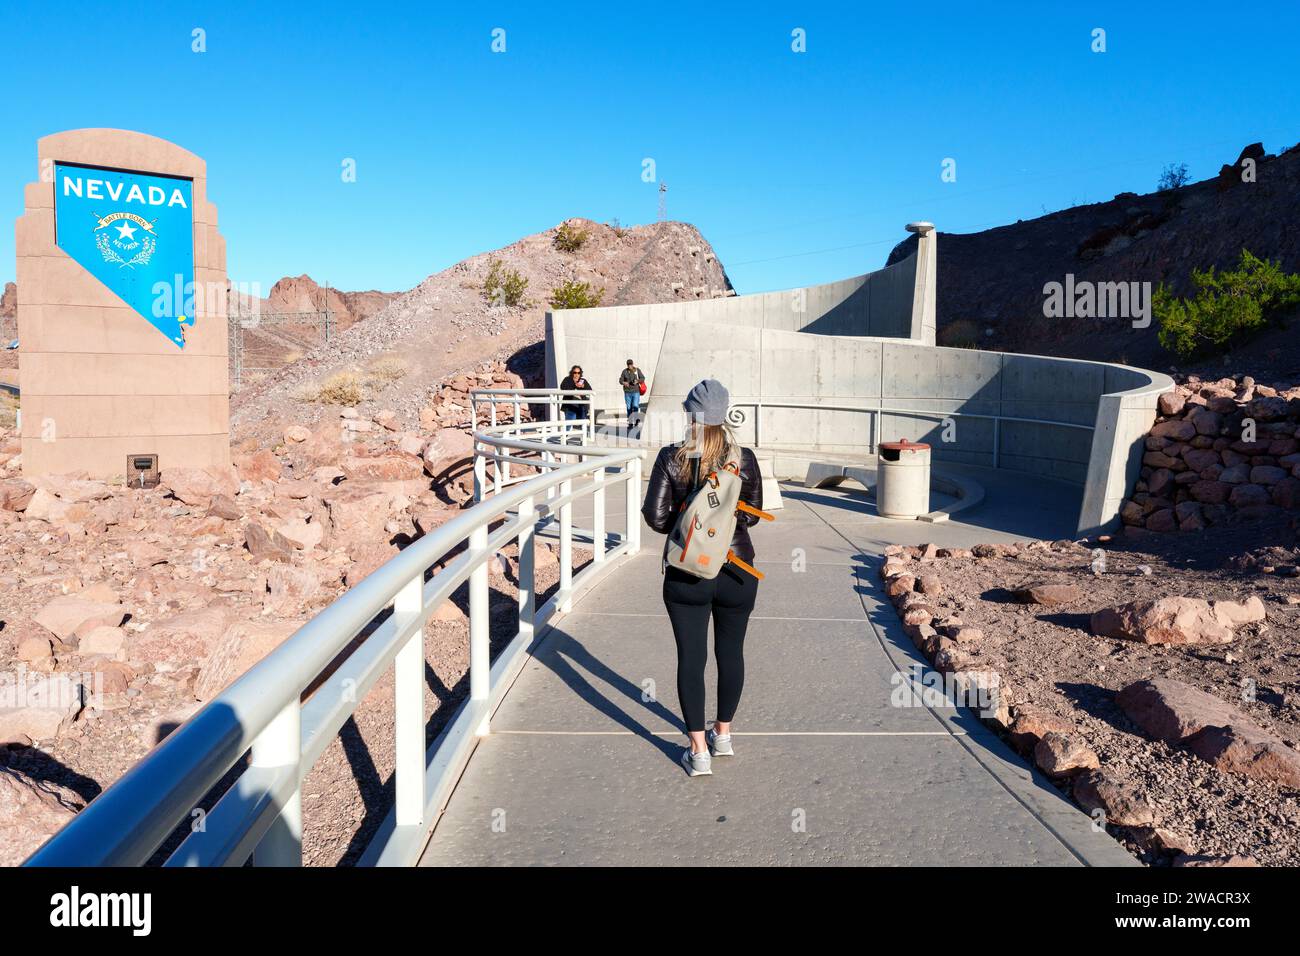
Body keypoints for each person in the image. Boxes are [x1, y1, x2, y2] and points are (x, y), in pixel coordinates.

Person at [641, 378, 763, 777]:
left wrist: (691, 521)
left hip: (687, 574)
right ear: (725, 414)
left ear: (688, 413)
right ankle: (723, 735)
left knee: (691, 659)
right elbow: (750, 514)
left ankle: (697, 751)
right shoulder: (743, 458)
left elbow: (656, 518)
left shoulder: (671, 457)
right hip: (736, 570)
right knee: (732, 653)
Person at [618, 358, 645, 425]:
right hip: (627, 392)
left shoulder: (637, 370)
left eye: (631, 364)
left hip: (636, 392)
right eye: (628, 364)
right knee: (629, 407)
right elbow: (620, 380)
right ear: (627, 365)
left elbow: (643, 378)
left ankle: (636, 420)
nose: (630, 366)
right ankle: (630, 422)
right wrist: (624, 383)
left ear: (633, 364)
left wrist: (637, 381)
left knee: (635, 406)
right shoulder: (624, 371)